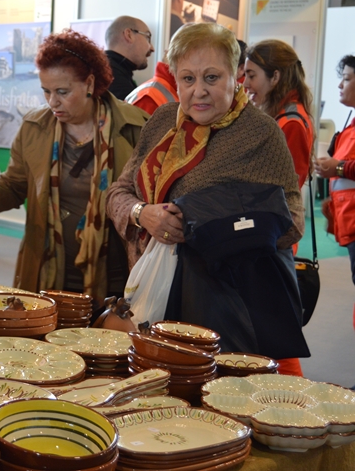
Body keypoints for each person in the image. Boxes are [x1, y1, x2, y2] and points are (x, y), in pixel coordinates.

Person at [106, 23, 309, 374]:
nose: (198, 91)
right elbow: (117, 193)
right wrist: (144, 214)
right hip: (150, 289)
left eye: (211, 78)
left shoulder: (261, 135)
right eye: (187, 79)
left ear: (236, 77)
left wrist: (215, 226)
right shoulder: (163, 122)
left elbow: (292, 221)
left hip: (225, 307)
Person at [0, 30, 149, 304]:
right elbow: (13, 185)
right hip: (47, 273)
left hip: (114, 279)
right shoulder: (35, 127)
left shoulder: (137, 128)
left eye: (62, 92)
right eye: (46, 91)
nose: (52, 101)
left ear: (90, 83)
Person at [244, 40, 314, 189]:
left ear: (275, 77)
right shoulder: (280, 115)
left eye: (251, 76)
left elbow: (288, 188)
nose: (245, 84)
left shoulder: (291, 123)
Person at [315, 55, 355, 290]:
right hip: (348, 219)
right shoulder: (350, 124)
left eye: (347, 79)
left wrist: (336, 168)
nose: (340, 85)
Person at [104, 16, 155, 100]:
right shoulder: (112, 78)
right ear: (129, 35)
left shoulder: (113, 71)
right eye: (148, 37)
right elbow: (136, 112)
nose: (152, 48)